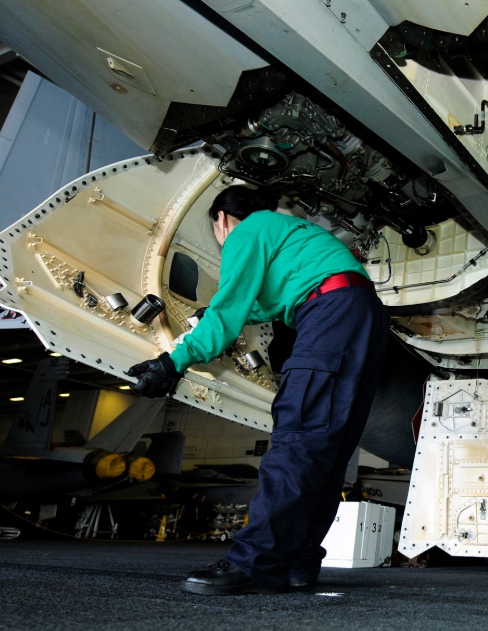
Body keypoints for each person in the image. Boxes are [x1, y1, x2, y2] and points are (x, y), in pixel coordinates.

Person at [125, 185, 389, 595]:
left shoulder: (246, 232)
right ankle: (297, 562)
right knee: (328, 450)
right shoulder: (288, 231)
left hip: (328, 313)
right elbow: (258, 306)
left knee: (297, 436)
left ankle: (254, 561)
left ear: (222, 220)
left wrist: (170, 363)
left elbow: (228, 314)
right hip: (362, 314)